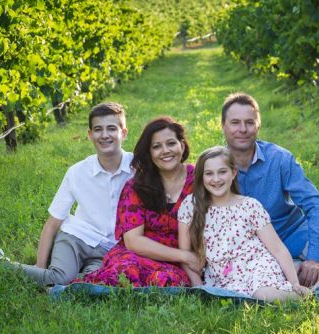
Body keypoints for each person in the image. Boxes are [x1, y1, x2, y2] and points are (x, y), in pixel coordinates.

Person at [220, 92, 319, 289]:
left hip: (295, 236)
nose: (242, 129)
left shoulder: (279, 159)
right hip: (254, 251)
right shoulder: (214, 167)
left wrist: (314, 259)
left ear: (258, 126)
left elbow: (316, 205)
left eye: (249, 122)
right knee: (298, 286)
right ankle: (318, 276)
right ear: (223, 125)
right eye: (235, 122)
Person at [14, 102, 133, 286]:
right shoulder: (77, 172)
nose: (104, 135)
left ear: (123, 133)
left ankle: (82, 277)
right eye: (98, 129)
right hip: (76, 238)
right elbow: (53, 223)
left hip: (109, 250)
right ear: (90, 135)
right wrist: (40, 267)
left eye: (111, 128)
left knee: (92, 284)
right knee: (59, 278)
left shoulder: (137, 168)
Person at [79, 116, 201, 287]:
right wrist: (184, 256)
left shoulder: (200, 179)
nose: (165, 150)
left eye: (171, 143)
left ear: (182, 144)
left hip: (180, 264)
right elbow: (133, 241)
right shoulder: (136, 186)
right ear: (149, 154)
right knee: (126, 271)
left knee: (165, 280)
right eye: (156, 146)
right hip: (139, 255)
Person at [178, 146, 312, 301]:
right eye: (209, 173)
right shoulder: (191, 206)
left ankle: (311, 294)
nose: (216, 179)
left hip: (257, 266)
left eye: (222, 172)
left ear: (233, 173)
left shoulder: (249, 206)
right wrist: (198, 287)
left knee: (263, 296)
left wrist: (294, 283)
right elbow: (185, 255)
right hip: (221, 277)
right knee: (233, 301)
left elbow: (278, 249)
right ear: (201, 177)